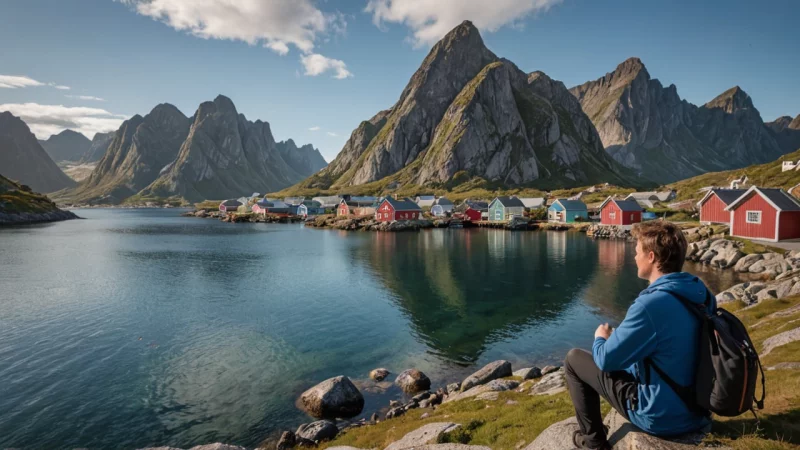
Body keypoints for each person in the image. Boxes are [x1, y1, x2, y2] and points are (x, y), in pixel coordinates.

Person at [565, 220, 714, 450]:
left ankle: (593, 442)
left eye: (637, 252)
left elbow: (605, 361)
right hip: (698, 411)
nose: (634, 257)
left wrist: (601, 338)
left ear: (652, 257)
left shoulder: (650, 304)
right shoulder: (700, 292)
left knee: (574, 359)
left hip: (662, 417)